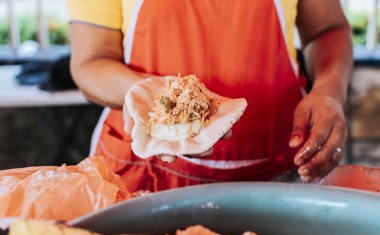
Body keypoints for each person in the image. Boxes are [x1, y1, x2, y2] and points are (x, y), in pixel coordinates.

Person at [67, 0, 352, 192]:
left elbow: (327, 30)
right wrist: (145, 94)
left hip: (275, 172)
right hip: (147, 174)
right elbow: (91, 61)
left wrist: (329, 90)